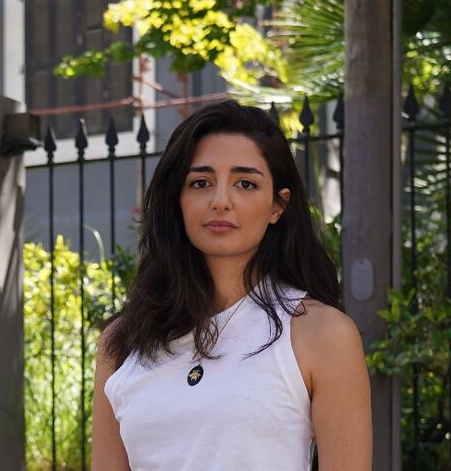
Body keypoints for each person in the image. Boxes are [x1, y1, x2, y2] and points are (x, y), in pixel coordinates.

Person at [91, 100, 371, 470]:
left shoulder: (321, 334)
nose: (221, 201)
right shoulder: (123, 342)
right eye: (201, 182)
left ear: (277, 205)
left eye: (245, 183)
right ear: (178, 199)